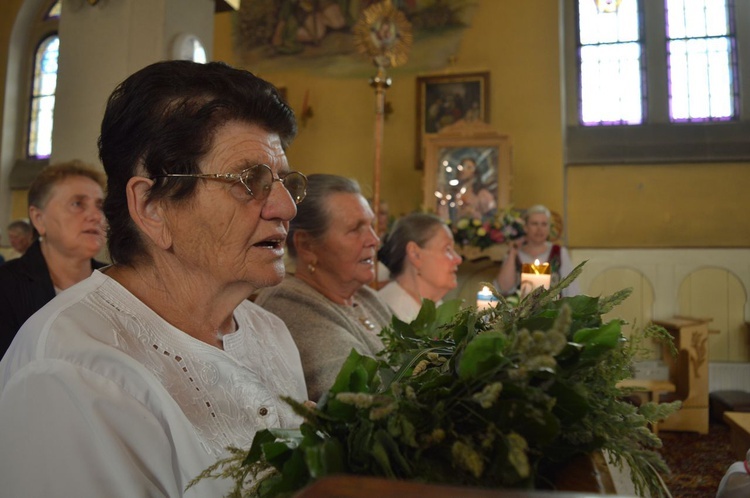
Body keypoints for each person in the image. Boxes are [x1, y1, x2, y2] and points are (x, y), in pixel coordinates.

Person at [0, 60, 310, 497]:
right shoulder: (74, 371)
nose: (285, 207)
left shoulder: (271, 333)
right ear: (151, 206)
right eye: (249, 181)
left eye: (284, 182)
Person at [255, 174, 391, 402]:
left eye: (371, 226)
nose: (374, 240)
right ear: (307, 245)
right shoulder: (291, 306)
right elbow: (361, 404)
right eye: (356, 229)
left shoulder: (365, 296)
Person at [0, 161, 107, 356]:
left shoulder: (118, 283)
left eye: (100, 206)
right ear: (39, 219)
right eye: (77, 204)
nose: (95, 216)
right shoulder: (6, 285)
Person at [377, 213, 462, 322]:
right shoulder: (391, 314)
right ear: (415, 254)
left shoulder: (434, 306)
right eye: (447, 249)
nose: (458, 259)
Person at [495, 204, 580, 298]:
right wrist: (512, 252)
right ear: (525, 227)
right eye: (534, 224)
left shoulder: (559, 252)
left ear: (549, 228)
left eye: (544, 224)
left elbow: (572, 289)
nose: (539, 229)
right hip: (521, 311)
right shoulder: (515, 254)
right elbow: (504, 288)